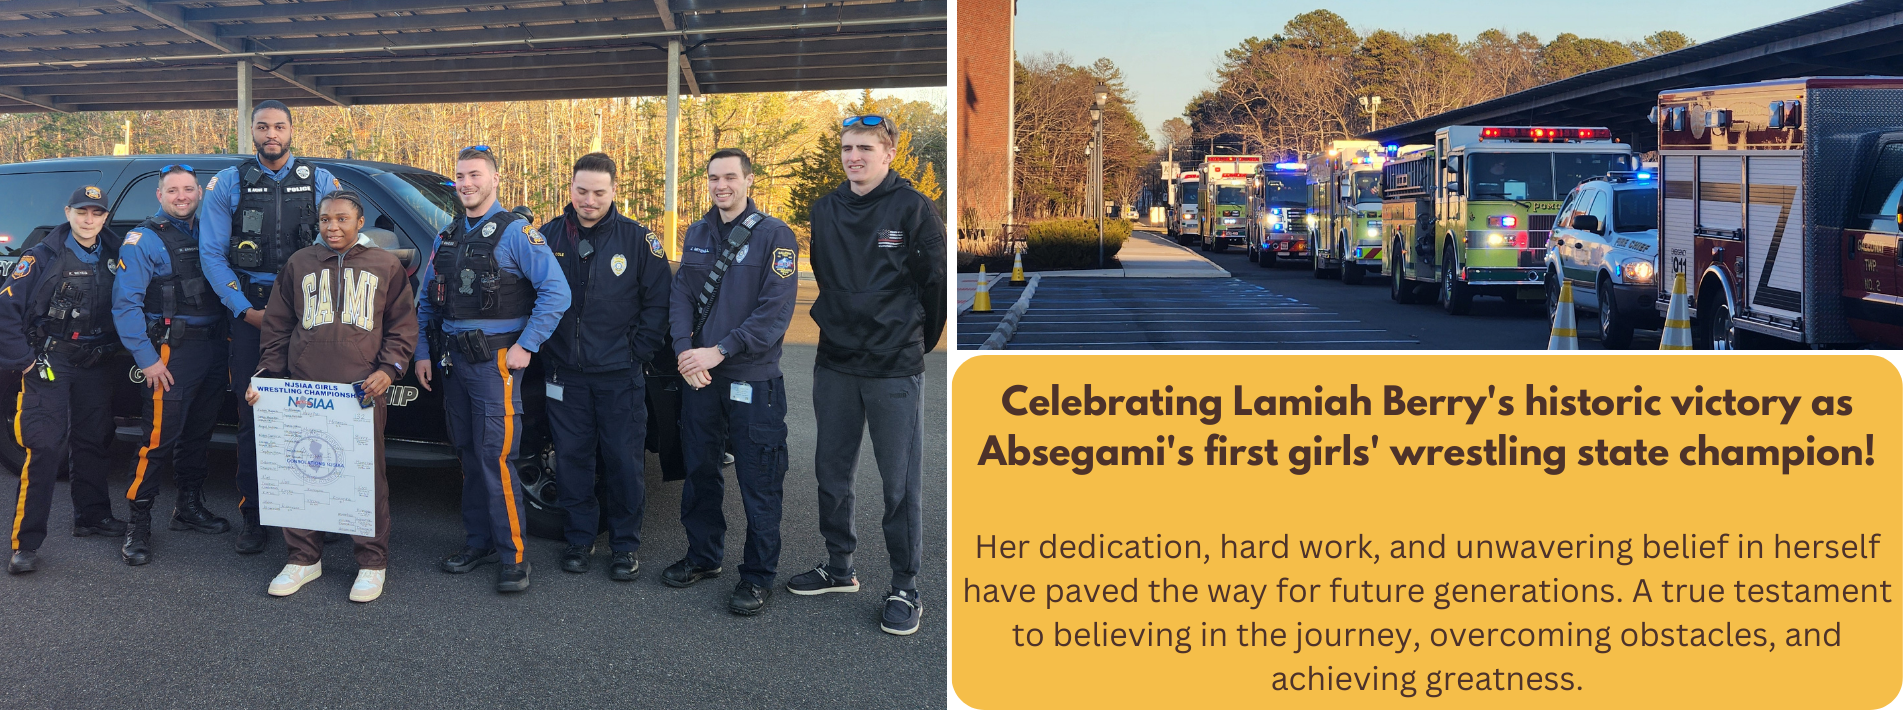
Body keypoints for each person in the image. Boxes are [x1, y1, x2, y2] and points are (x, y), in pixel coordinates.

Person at [792, 114, 946, 635]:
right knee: (830, 474)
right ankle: (840, 567)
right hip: (835, 362)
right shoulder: (826, 209)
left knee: (898, 483)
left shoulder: (914, 208)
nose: (853, 156)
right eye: (846, 148)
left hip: (892, 368)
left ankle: (906, 585)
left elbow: (935, 285)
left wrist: (910, 343)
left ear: (889, 155)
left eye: (864, 148)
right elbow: (829, 278)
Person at [246, 191, 416, 602]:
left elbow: (402, 326)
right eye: (325, 220)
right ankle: (304, 557)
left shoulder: (385, 265)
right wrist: (268, 377)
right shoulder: (300, 263)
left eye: (342, 219)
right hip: (303, 387)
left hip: (361, 390)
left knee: (363, 476)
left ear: (361, 223)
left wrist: (388, 369)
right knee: (301, 469)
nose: (332, 227)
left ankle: (372, 562)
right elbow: (278, 325)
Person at [415, 146, 570, 593]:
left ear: (495, 179)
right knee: (467, 452)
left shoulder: (518, 233)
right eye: (460, 176)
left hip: (495, 363)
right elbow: (427, 302)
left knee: (494, 457)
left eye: (475, 175)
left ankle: (514, 557)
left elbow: (556, 293)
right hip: (452, 361)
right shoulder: (446, 237)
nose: (466, 183)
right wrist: (422, 352)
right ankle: (477, 542)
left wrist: (527, 345)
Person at [663, 148, 799, 616]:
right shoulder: (697, 232)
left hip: (751, 380)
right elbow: (681, 293)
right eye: (713, 178)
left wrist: (719, 351)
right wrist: (685, 349)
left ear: (748, 181)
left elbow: (775, 311)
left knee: (758, 481)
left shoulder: (776, 236)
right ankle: (703, 557)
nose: (721, 186)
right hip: (699, 377)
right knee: (700, 472)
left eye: (730, 178)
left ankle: (758, 577)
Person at [199, 100, 338, 555]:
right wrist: (243, 310)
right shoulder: (228, 183)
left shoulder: (320, 181)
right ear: (251, 132)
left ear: (291, 130)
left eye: (279, 126)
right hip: (251, 313)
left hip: (309, 313)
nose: (271, 134)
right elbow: (213, 254)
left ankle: (311, 518)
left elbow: (339, 245)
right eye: (263, 127)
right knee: (253, 417)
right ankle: (253, 518)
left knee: (314, 414)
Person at [538, 153, 670, 580]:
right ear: (570, 188)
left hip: (619, 376)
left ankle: (625, 546)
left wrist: (638, 351)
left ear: (614, 191)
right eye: (581, 191)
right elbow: (529, 294)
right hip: (565, 375)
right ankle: (579, 540)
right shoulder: (547, 236)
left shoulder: (637, 240)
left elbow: (658, 303)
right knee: (573, 460)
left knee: (623, 462)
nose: (589, 200)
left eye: (598, 192)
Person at [113, 165, 236, 566]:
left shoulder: (210, 230)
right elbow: (126, 304)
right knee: (157, 442)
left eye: (188, 189)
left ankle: (188, 507)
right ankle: (138, 522)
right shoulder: (144, 239)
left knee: (199, 432)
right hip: (171, 353)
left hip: (214, 347)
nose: (181, 196)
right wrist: (147, 360)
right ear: (159, 196)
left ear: (199, 191)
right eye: (173, 190)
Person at [1, 186, 126, 574]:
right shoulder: (39, 257)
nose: (89, 220)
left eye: (97, 214)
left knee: (94, 439)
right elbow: (6, 311)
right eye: (82, 212)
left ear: (106, 217)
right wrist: (23, 362)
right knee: (45, 448)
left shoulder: (118, 254)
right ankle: (26, 543)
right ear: (68, 212)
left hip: (95, 360)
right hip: (48, 361)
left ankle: (91, 517)